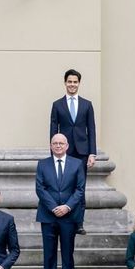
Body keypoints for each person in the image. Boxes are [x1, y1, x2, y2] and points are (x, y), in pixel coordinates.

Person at [35, 134, 85, 269]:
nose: (58, 146)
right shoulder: (42, 164)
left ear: (67, 145)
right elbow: (40, 188)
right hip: (48, 216)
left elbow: (80, 189)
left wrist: (67, 207)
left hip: (69, 216)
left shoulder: (77, 164)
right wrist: (53, 207)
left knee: (67, 254)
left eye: (61, 143)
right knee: (49, 254)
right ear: (50, 146)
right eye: (54, 143)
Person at [49, 68, 97, 235]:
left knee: (80, 187)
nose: (72, 84)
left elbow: (91, 129)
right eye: (69, 81)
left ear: (79, 83)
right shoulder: (57, 105)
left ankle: (79, 223)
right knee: (63, 185)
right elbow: (54, 128)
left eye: (75, 82)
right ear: (65, 83)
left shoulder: (87, 104)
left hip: (82, 151)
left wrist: (92, 153)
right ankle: (63, 220)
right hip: (64, 151)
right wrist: (53, 152)